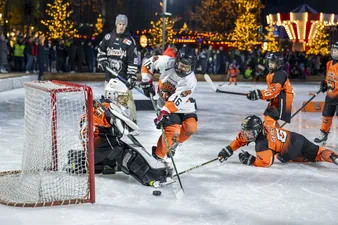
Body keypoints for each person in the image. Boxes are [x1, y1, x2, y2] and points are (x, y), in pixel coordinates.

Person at [70, 82, 173, 186]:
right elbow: (126, 131)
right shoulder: (109, 107)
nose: (123, 101)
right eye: (121, 97)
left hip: (98, 145)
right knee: (127, 154)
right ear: (112, 95)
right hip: (99, 145)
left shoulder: (102, 104)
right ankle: (151, 176)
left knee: (121, 148)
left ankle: (90, 160)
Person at [217, 110, 338, 167]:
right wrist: (229, 149)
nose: (246, 135)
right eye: (245, 132)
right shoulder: (266, 124)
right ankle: (333, 157)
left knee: (279, 156)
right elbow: (271, 116)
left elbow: (267, 162)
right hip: (297, 137)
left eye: (249, 133)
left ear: (257, 130)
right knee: (318, 151)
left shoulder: (261, 144)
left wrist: (252, 160)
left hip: (290, 152)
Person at [140, 47, 198, 159]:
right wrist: (146, 80)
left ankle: (174, 143)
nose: (183, 70)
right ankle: (158, 156)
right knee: (173, 130)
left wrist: (164, 113)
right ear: (176, 61)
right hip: (165, 103)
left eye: (187, 67)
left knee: (191, 127)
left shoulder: (190, 81)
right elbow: (149, 63)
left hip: (182, 104)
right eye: (181, 65)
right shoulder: (166, 62)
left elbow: (176, 101)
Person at [97, 14, 138, 123]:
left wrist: (131, 77)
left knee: (126, 101)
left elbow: (132, 61)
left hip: (123, 78)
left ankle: (132, 121)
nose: (121, 26)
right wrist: (102, 61)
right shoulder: (108, 38)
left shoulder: (129, 41)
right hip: (109, 78)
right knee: (108, 101)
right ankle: (108, 122)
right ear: (116, 24)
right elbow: (101, 50)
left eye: (123, 24)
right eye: (119, 24)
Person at [247, 53, 294, 123]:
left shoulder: (279, 74)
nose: (270, 64)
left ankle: (272, 132)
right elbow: (272, 91)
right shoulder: (271, 74)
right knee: (268, 116)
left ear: (278, 63)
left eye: (273, 62)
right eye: (269, 62)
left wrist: (259, 94)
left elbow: (274, 90)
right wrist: (263, 96)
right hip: (277, 100)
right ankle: (273, 131)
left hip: (283, 102)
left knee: (269, 118)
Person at [314, 42, 338, 144]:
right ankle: (323, 133)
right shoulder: (329, 63)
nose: (334, 52)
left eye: (336, 51)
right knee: (326, 114)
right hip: (330, 95)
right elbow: (328, 78)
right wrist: (324, 84)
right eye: (333, 50)